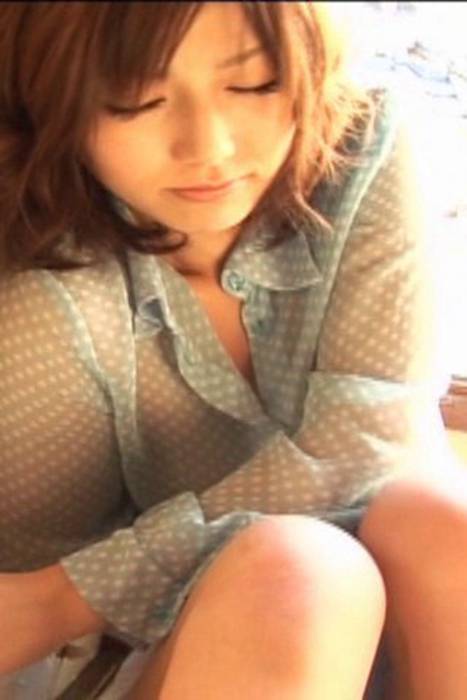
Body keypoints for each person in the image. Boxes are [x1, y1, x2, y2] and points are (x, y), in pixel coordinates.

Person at [0, 1, 463, 698]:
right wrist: (68, 598)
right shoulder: (49, 289)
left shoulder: (361, 147)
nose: (209, 147)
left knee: (437, 522)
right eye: (136, 101)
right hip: (179, 655)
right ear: (52, 98)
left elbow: (372, 440)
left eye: (253, 84)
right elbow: (36, 608)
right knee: (303, 578)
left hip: (391, 612)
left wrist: (72, 593)